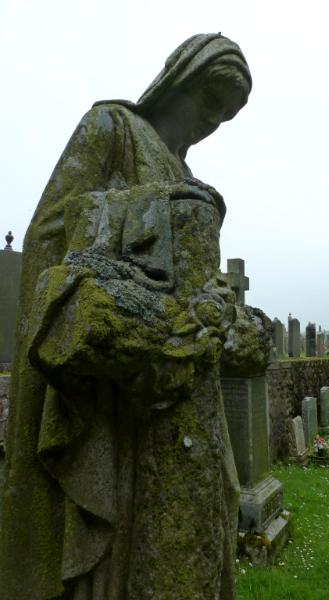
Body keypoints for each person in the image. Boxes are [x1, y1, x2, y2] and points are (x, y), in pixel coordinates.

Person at [0, 34, 269, 600]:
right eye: (210, 102)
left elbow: (195, 282)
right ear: (179, 80)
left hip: (186, 393)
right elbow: (49, 237)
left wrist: (217, 308)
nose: (213, 121)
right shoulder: (111, 128)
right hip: (118, 402)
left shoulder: (185, 171)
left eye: (226, 114)